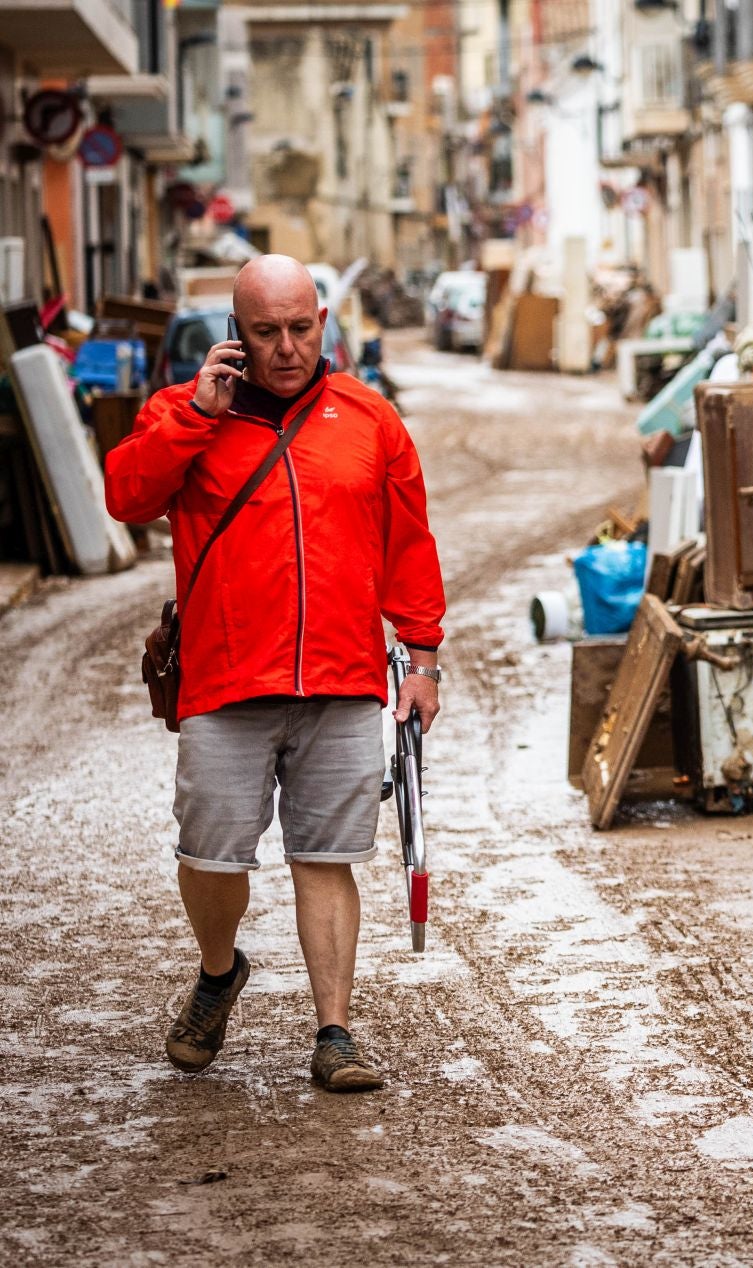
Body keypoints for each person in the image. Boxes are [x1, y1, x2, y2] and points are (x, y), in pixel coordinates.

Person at [105, 255, 446, 1092]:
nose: (286, 348)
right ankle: (219, 972)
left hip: (341, 678)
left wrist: (424, 654)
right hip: (225, 680)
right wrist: (193, 417)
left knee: (327, 855)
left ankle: (335, 1034)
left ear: (323, 322)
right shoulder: (186, 413)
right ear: (237, 333)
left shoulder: (370, 418)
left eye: (300, 328)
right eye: (266, 332)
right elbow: (126, 496)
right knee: (212, 857)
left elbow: (408, 544)